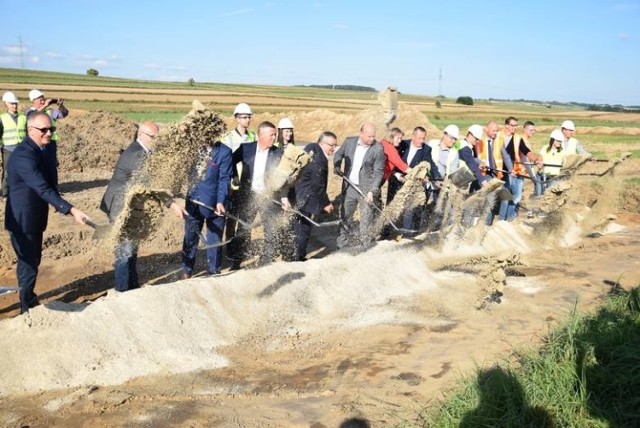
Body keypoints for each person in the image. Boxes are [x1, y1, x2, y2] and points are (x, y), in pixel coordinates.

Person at [4, 112, 90, 313]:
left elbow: (51, 178)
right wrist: (71, 210)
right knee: (28, 265)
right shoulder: (23, 155)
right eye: (44, 130)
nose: (49, 133)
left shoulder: (44, 148)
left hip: (35, 217)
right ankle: (27, 308)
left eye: (51, 129)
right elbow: (42, 188)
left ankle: (30, 297)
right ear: (30, 130)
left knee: (34, 260)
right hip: (22, 220)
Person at [100, 121, 184, 291]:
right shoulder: (136, 154)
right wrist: (172, 204)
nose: (156, 140)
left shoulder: (145, 151)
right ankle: (122, 291)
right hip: (119, 207)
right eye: (153, 137)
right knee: (125, 250)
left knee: (132, 246)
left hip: (131, 206)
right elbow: (149, 184)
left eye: (157, 137)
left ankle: (132, 286)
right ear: (141, 135)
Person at [228, 121, 283, 269]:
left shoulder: (277, 153)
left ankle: (268, 259)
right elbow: (230, 160)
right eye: (272, 135)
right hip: (248, 194)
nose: (274, 138)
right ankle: (237, 260)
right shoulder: (246, 148)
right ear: (262, 135)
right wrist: (234, 177)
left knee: (270, 228)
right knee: (244, 228)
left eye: (275, 135)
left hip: (267, 196)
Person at [181, 139, 233, 278]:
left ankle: (213, 271)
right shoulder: (191, 148)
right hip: (192, 201)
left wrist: (221, 201)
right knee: (190, 237)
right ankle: (186, 271)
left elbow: (224, 179)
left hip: (214, 203)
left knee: (214, 239)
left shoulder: (224, 151)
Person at [283, 131, 337, 261]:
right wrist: (326, 203)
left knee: (295, 227)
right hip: (305, 199)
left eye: (335, 145)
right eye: (332, 145)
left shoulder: (312, 148)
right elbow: (318, 185)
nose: (334, 148)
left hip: (297, 195)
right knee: (303, 230)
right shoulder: (319, 159)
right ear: (322, 143)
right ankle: (298, 258)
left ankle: (290, 254)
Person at [333, 122, 385, 249]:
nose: (372, 139)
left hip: (366, 189)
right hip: (349, 186)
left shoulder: (377, 149)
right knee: (346, 215)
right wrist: (337, 165)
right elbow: (338, 154)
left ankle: (365, 245)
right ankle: (342, 243)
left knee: (366, 218)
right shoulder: (349, 142)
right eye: (369, 136)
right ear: (361, 133)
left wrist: (372, 191)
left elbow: (379, 172)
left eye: (373, 136)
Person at [222, 102, 257, 267]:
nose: (247, 119)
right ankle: (229, 247)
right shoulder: (229, 138)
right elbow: (226, 163)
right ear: (236, 118)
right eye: (244, 117)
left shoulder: (254, 137)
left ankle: (242, 248)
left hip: (248, 186)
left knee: (246, 219)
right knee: (231, 219)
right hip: (232, 186)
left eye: (249, 116)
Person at [396, 126, 441, 231]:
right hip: (398, 181)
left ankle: (409, 232)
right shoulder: (403, 144)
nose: (422, 141)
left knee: (410, 208)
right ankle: (388, 234)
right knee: (393, 207)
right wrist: (397, 175)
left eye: (423, 138)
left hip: (413, 185)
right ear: (413, 136)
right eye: (419, 138)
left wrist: (437, 178)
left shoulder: (426, 149)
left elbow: (431, 164)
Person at [26, 89, 69, 189]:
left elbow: (64, 114)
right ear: (33, 100)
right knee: (37, 164)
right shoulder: (29, 111)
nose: (42, 101)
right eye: (40, 99)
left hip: (50, 142)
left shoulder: (49, 112)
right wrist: (45, 105)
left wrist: (61, 105)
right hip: (36, 142)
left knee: (51, 165)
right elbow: (33, 116)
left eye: (43, 99)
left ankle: (53, 186)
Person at [499, 120, 541, 221]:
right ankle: (501, 220)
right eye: (512, 125)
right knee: (507, 197)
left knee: (513, 197)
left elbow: (526, 151)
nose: (514, 127)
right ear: (506, 125)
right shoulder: (498, 136)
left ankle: (508, 219)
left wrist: (535, 159)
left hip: (515, 171)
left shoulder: (517, 139)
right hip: (501, 170)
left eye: (515, 125)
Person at [1, 92, 27, 197]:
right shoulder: (2, 118)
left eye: (16, 103)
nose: (15, 105)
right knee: (7, 171)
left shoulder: (23, 117)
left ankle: (21, 190)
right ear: (6, 104)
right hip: (8, 148)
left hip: (21, 148)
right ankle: (5, 192)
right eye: (12, 103)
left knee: (23, 170)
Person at [380, 127, 410, 205]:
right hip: (379, 178)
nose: (400, 141)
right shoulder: (390, 148)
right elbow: (402, 166)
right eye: (398, 138)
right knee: (375, 203)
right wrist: (417, 172)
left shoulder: (383, 143)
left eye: (401, 138)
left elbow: (385, 164)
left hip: (376, 177)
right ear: (391, 137)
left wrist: (395, 174)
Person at [457, 124, 490, 192]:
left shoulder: (460, 143)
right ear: (470, 134)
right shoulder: (465, 148)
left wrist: (478, 163)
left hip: (457, 177)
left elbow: (466, 159)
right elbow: (471, 164)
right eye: (476, 138)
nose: (477, 141)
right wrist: (483, 181)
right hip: (459, 179)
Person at [535, 129, 566, 195]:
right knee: (539, 194)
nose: (559, 143)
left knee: (549, 194)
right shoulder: (545, 148)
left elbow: (566, 162)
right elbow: (540, 156)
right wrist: (539, 162)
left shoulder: (562, 151)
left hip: (554, 177)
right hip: (542, 175)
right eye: (558, 141)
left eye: (560, 141)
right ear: (553, 140)